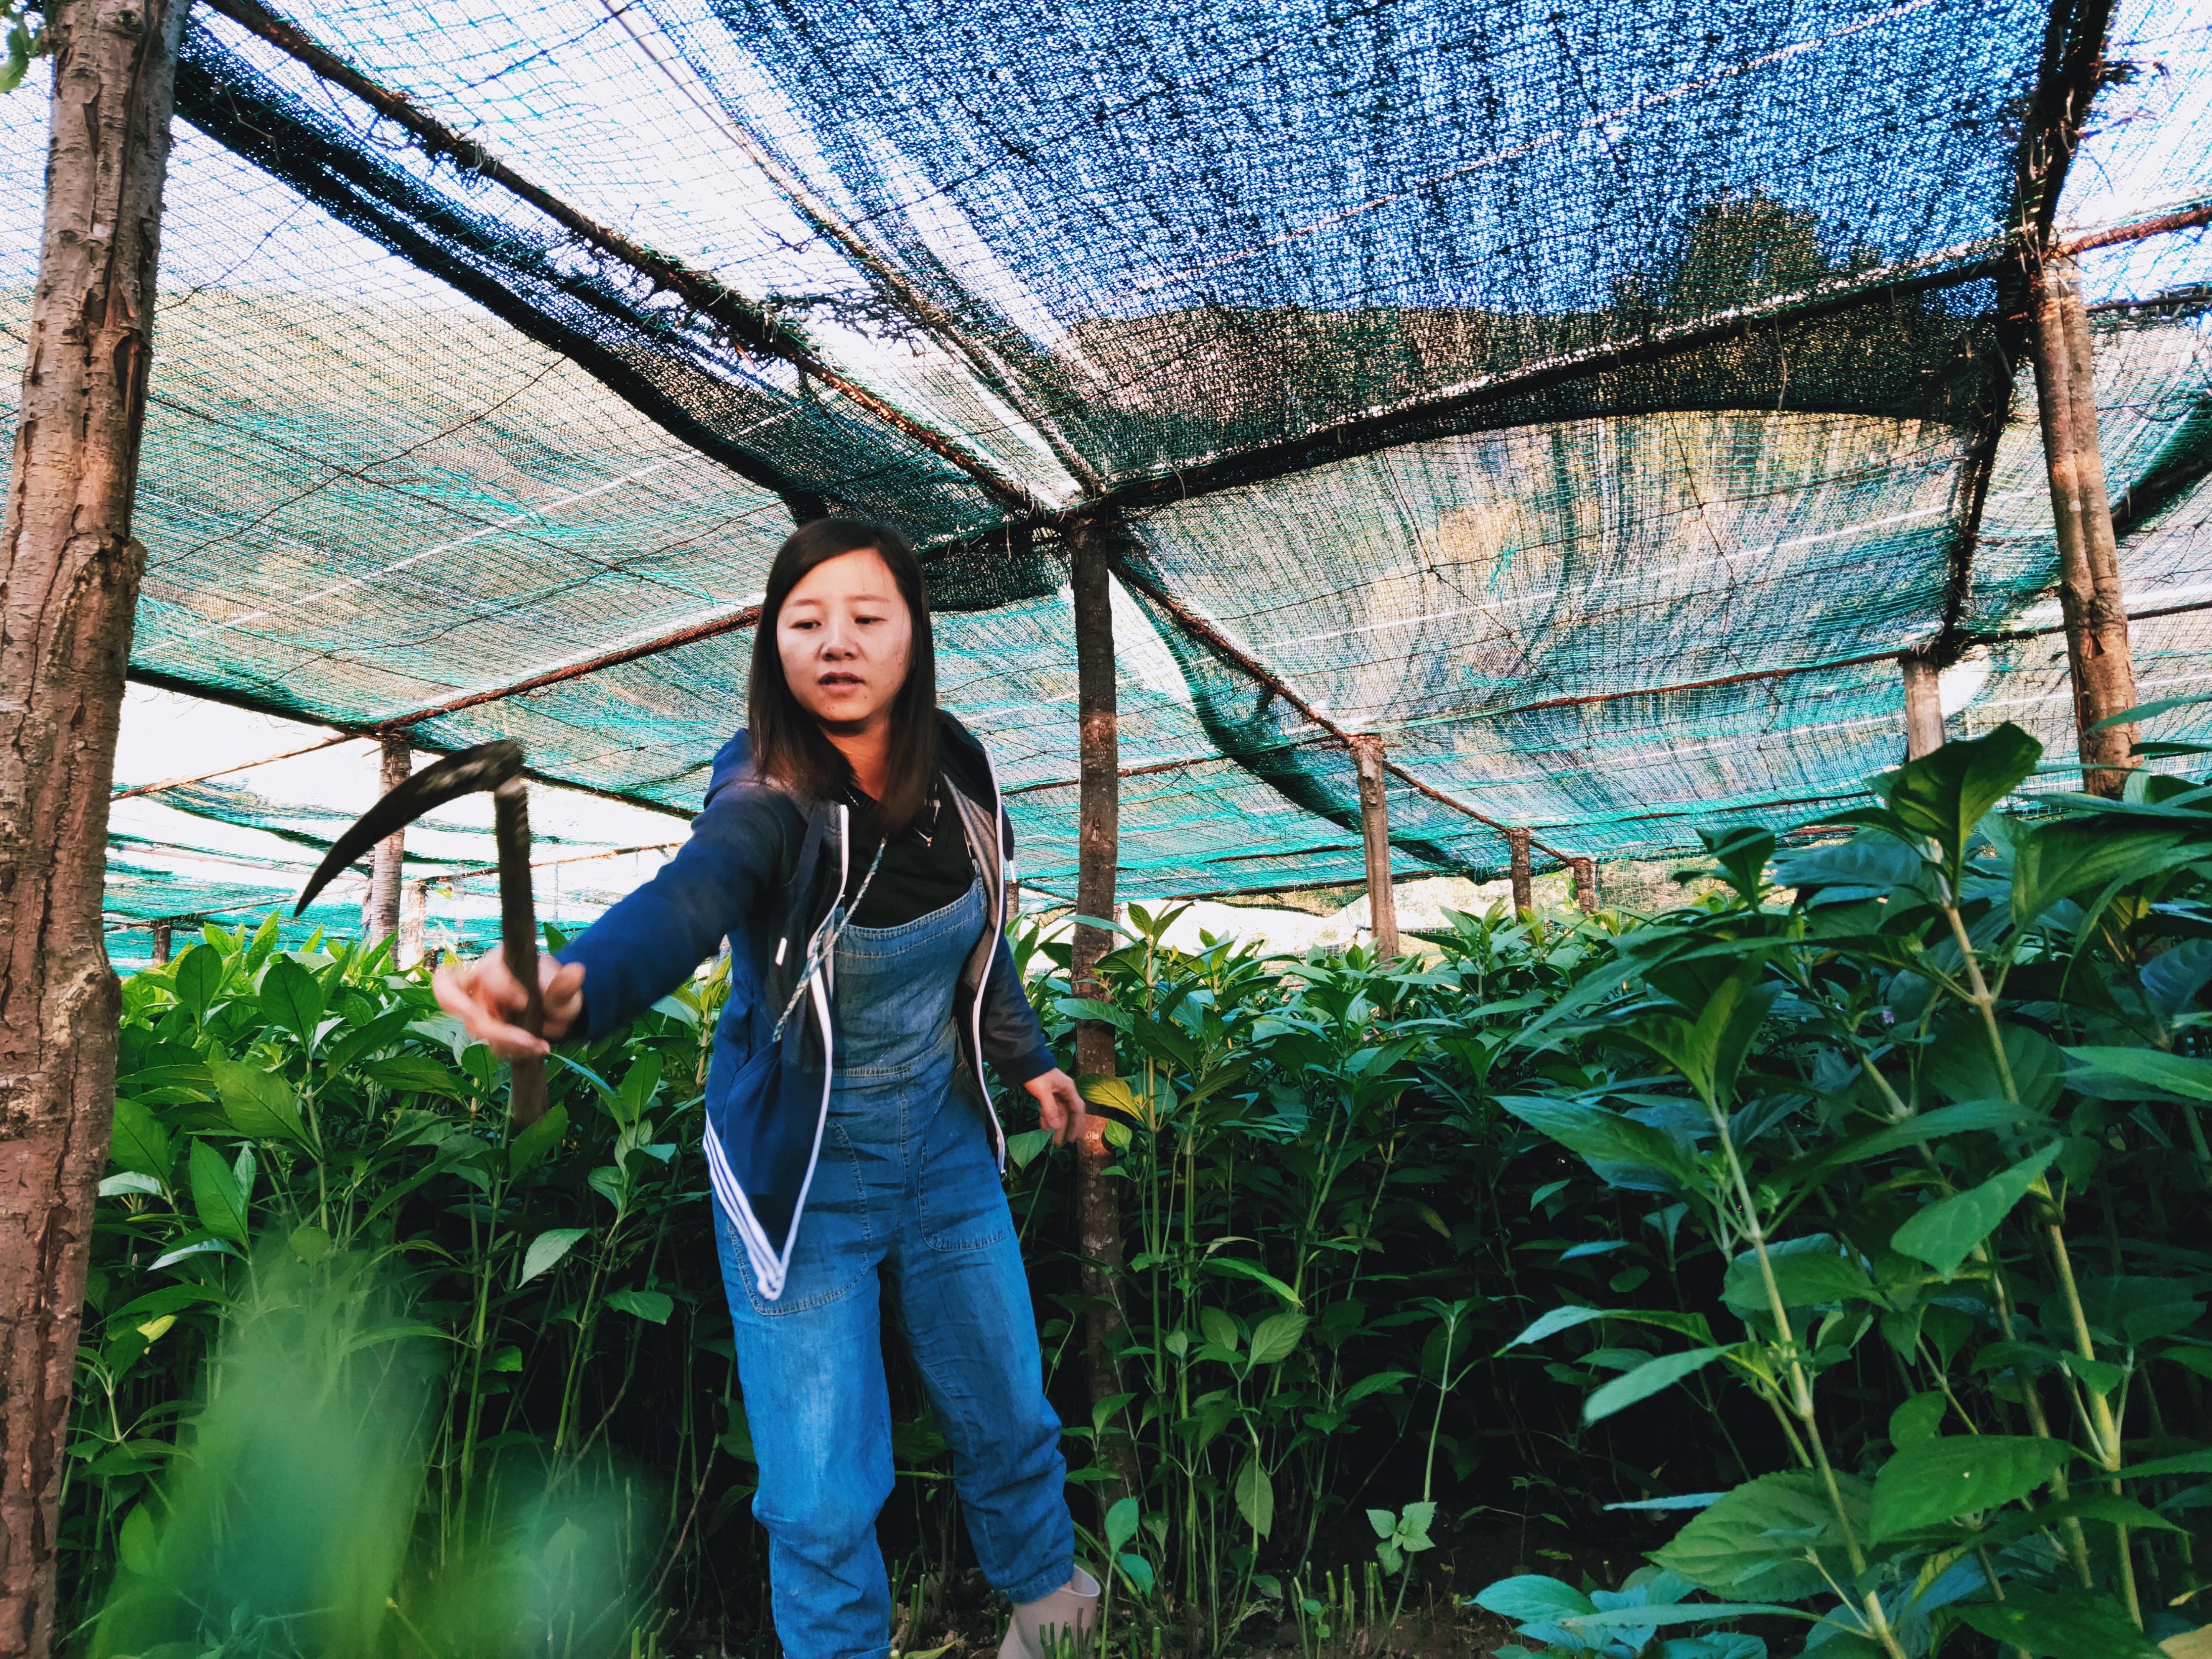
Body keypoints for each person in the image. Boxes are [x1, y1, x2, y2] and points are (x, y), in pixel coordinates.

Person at [435, 518, 1101, 1658]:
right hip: (802, 1174)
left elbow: (982, 945)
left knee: (1006, 1405)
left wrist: (1029, 1061)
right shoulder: (767, 789)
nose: (836, 643)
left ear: (914, 635)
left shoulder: (962, 768)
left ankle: (1052, 1613)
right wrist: (578, 988)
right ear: (773, 644)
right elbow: (695, 894)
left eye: (867, 618)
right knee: (820, 1491)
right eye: (806, 622)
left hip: (944, 1146)